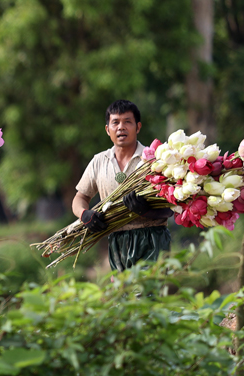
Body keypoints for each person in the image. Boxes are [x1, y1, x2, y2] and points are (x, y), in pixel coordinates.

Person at [72, 100, 173, 272]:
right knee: (122, 296)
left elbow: (171, 207)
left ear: (138, 127)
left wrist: (146, 211)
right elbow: (80, 198)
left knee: (148, 295)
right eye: (115, 122)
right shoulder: (99, 161)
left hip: (152, 238)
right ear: (107, 129)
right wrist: (85, 214)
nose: (121, 127)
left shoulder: (154, 160)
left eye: (127, 122)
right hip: (117, 240)